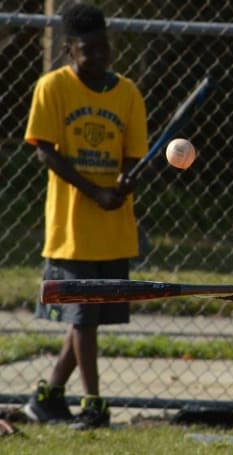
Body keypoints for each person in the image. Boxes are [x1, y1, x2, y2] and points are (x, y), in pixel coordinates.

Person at [23, 3, 148, 430]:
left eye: (103, 47)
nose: (97, 56)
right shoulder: (52, 88)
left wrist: (124, 184)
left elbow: (134, 157)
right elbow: (45, 151)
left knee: (87, 318)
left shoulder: (127, 92)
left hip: (113, 230)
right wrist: (94, 190)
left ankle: (49, 397)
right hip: (71, 229)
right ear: (69, 50)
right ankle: (93, 403)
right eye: (86, 49)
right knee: (83, 319)